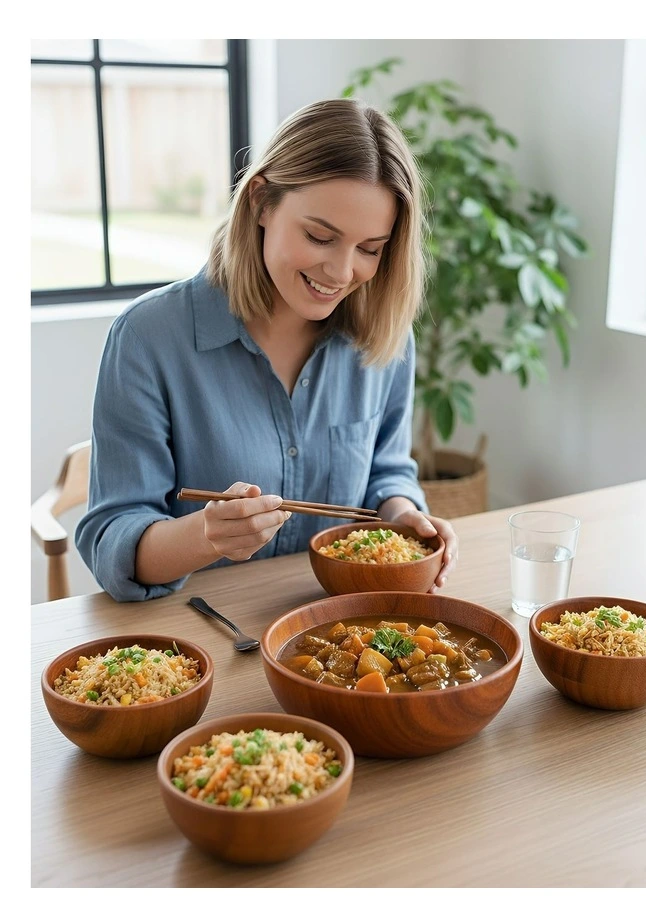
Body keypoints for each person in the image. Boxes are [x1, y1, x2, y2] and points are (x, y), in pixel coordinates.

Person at [76, 98, 458, 602]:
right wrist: (206, 535)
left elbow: (386, 472)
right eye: (320, 237)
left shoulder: (384, 337)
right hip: (203, 635)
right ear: (260, 201)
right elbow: (112, 540)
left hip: (340, 634)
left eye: (370, 249)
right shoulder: (149, 337)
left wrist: (402, 513)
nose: (343, 273)